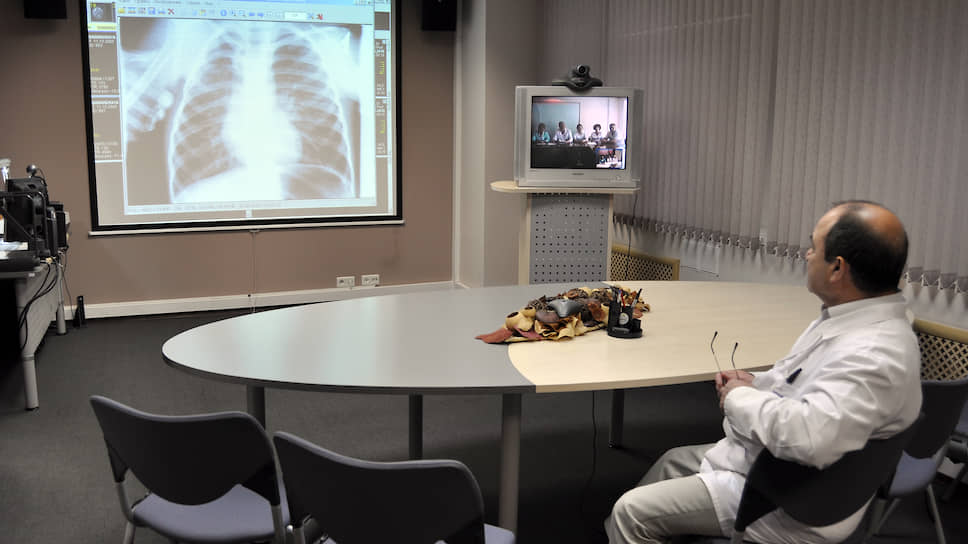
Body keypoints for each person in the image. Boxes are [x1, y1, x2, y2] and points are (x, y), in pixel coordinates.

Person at [605, 200, 922, 544]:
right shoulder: (851, 317)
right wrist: (756, 383)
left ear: (837, 268)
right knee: (672, 462)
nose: (807, 255)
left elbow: (808, 439)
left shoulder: (873, 354)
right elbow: (798, 380)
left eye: (814, 248)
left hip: (790, 500)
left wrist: (738, 397)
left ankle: (625, 531)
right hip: (782, 470)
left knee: (630, 513)